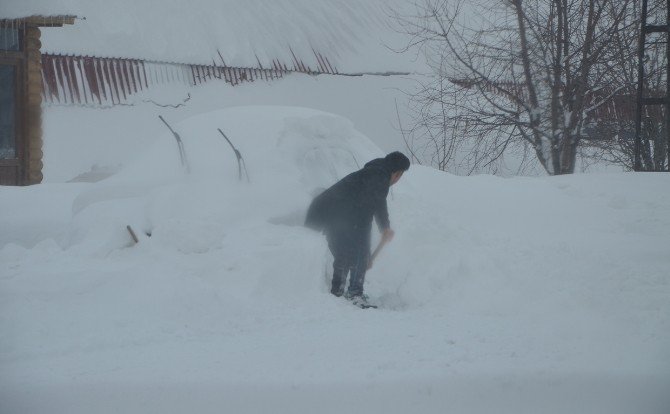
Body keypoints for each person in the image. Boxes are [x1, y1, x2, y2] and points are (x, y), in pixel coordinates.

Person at [305, 151, 410, 307]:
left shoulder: (375, 173)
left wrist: (385, 227)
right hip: (336, 213)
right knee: (359, 250)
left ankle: (337, 292)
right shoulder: (379, 176)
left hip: (323, 210)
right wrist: (366, 251)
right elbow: (367, 214)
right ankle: (354, 294)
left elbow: (378, 202)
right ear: (398, 174)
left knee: (345, 251)